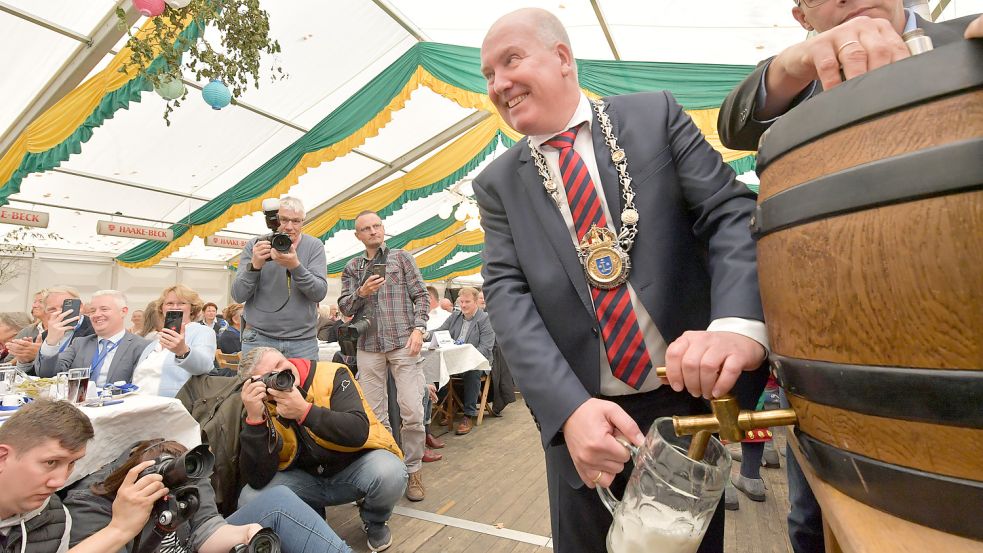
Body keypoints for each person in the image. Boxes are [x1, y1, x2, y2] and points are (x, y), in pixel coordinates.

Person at [474, 9, 768, 552]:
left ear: (562, 58)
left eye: (510, 61)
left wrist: (734, 326)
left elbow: (729, 212)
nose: (498, 85)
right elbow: (506, 296)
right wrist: (568, 412)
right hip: (585, 420)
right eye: (488, 74)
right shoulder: (497, 184)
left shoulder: (654, 116)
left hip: (682, 402)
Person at [718, 0, 982, 151]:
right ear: (803, 19)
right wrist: (786, 67)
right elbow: (736, 134)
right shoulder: (797, 82)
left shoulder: (974, 35)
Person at [236, 347, 406, 552]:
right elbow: (257, 478)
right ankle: (308, 522)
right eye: (271, 375)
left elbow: (357, 431)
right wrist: (255, 420)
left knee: (391, 472)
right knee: (250, 498)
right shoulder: (261, 405)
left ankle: (375, 520)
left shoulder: (333, 374)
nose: (284, 373)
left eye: (282, 363)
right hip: (305, 480)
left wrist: (304, 412)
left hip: (352, 468)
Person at [65, 439, 353, 553]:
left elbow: (206, 531)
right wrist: (121, 527)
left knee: (279, 501)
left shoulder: (186, 479)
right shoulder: (89, 509)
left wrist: (246, 533)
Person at [337, 210, 430, 502]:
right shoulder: (352, 267)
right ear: (358, 236)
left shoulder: (402, 258)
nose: (373, 231)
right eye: (366, 228)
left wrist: (419, 328)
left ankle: (413, 467)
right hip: (368, 346)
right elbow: (345, 308)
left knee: (413, 411)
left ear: (383, 228)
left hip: (404, 341)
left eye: (377, 225)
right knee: (375, 416)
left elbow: (422, 296)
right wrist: (361, 292)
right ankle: (391, 470)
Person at [0, 399, 168, 553]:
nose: (60, 481)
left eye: (72, 463)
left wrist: (120, 529)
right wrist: (119, 530)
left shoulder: (56, 517)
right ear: (3, 457)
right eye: (51, 462)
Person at [232, 197, 327, 359]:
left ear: (303, 222)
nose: (289, 226)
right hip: (259, 339)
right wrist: (254, 266)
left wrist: (295, 266)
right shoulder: (257, 245)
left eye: (296, 221)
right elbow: (238, 295)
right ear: (274, 219)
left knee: (303, 385)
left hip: (302, 342)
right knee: (256, 385)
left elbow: (319, 293)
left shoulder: (314, 246)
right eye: (284, 219)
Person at [37, 291, 150, 388]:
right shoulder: (80, 344)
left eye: (104, 309)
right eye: (92, 311)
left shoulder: (141, 347)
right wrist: (51, 342)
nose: (96, 315)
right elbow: (48, 374)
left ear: (123, 311)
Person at [429, 287, 495, 435]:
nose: (463, 305)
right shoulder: (455, 316)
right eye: (461, 301)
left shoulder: (485, 320)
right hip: (455, 361)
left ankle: (468, 415)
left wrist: (466, 358)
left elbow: (486, 348)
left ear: (476, 302)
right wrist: (423, 334)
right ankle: (446, 406)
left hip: (477, 361)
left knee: (472, 371)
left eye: (467, 302)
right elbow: (439, 331)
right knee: (437, 365)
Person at [134, 285, 216, 397]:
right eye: (169, 303)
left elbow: (205, 366)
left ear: (192, 308)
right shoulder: (155, 341)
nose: (175, 307)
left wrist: (183, 351)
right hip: (138, 403)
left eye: (182, 303)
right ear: (162, 308)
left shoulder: (201, 331)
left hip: (171, 406)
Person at [12, 286, 95, 375]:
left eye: (65, 307)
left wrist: (47, 356)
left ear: (80, 307)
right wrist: (25, 361)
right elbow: (34, 377)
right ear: (46, 313)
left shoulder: (94, 331)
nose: (59, 312)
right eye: (52, 309)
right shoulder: (43, 337)